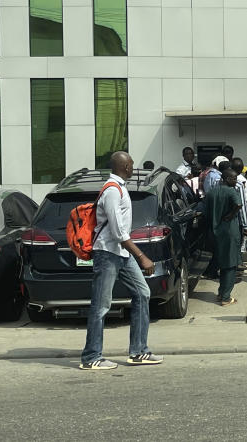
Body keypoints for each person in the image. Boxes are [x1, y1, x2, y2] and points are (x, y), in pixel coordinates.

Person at [81, 151, 162, 370]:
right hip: (107, 253)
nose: (133, 168)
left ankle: (138, 351)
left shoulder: (119, 188)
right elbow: (117, 232)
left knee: (143, 293)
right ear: (125, 167)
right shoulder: (112, 191)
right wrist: (142, 255)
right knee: (100, 306)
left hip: (121, 254)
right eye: (131, 165)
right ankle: (91, 357)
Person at [203, 169, 244, 306]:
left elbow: (205, 212)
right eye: (233, 178)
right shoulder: (231, 191)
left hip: (215, 232)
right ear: (226, 178)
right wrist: (231, 215)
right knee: (231, 265)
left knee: (221, 263)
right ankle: (226, 297)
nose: (235, 181)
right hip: (229, 231)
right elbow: (238, 204)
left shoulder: (211, 192)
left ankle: (221, 293)